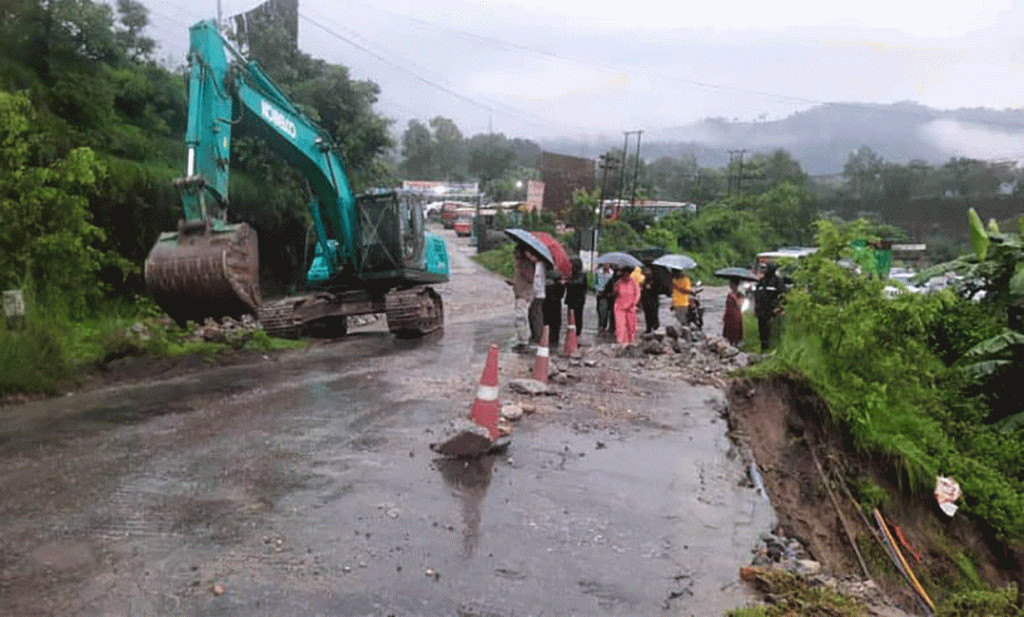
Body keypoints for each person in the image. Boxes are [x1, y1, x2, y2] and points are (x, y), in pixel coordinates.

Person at [509, 246, 538, 352]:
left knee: (520, 318)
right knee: (519, 318)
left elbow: (531, 278)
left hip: (524, 294)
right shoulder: (520, 264)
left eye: (516, 253)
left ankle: (523, 342)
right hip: (520, 293)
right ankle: (521, 340)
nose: (515, 255)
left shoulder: (525, 265)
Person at [754, 262, 785, 352]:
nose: (764, 270)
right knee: (762, 331)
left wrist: (777, 307)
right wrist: (756, 307)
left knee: (771, 331)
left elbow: (782, 295)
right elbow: (757, 294)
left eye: (766, 268)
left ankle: (772, 349)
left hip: (771, 311)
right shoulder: (762, 281)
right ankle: (763, 348)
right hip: (761, 311)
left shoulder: (777, 281)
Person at [613, 266, 641, 344]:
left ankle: (631, 341)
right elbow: (615, 293)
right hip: (620, 307)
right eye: (624, 274)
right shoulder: (619, 282)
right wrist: (615, 285)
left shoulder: (634, 282)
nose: (626, 276)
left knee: (631, 327)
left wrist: (634, 303)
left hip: (631, 307)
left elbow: (637, 294)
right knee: (620, 326)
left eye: (627, 274)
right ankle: (620, 341)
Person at [564, 258, 587, 336]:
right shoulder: (571, 274)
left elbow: (578, 283)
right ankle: (572, 331)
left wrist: (567, 282)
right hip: (571, 299)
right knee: (570, 316)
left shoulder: (582, 274)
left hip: (578, 300)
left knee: (577, 317)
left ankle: (577, 333)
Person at [542, 271, 565, 345]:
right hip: (556, 305)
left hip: (546, 304)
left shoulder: (545, 284)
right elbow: (561, 294)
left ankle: (545, 339)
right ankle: (555, 341)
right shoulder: (559, 284)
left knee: (546, 322)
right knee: (556, 324)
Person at [529, 256, 547, 344]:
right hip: (539, 294)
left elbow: (537, 281)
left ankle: (537, 336)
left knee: (536, 315)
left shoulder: (539, 265)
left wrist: (532, 294)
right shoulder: (540, 265)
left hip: (538, 295)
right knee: (535, 314)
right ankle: (536, 335)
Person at [722, 278, 745, 346]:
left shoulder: (740, 294)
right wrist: (724, 315)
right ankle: (730, 344)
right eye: (730, 285)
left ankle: (736, 344)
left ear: (736, 285)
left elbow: (740, 304)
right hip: (729, 314)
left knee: (736, 330)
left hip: (736, 314)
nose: (731, 287)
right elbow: (727, 305)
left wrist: (734, 297)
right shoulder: (729, 294)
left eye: (732, 285)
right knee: (729, 331)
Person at [640, 265, 660, 333]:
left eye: (648, 270)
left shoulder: (655, 278)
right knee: (647, 314)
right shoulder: (645, 278)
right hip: (646, 299)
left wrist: (651, 287)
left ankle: (654, 327)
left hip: (653, 299)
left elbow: (658, 289)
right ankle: (648, 328)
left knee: (653, 313)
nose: (647, 271)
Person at [594, 263, 613, 332]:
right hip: (600, 293)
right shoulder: (598, 272)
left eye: (607, 264)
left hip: (608, 294)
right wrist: (597, 290)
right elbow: (595, 282)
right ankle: (601, 323)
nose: (606, 266)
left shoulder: (611, 273)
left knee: (606, 310)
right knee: (600, 309)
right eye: (605, 264)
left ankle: (604, 324)